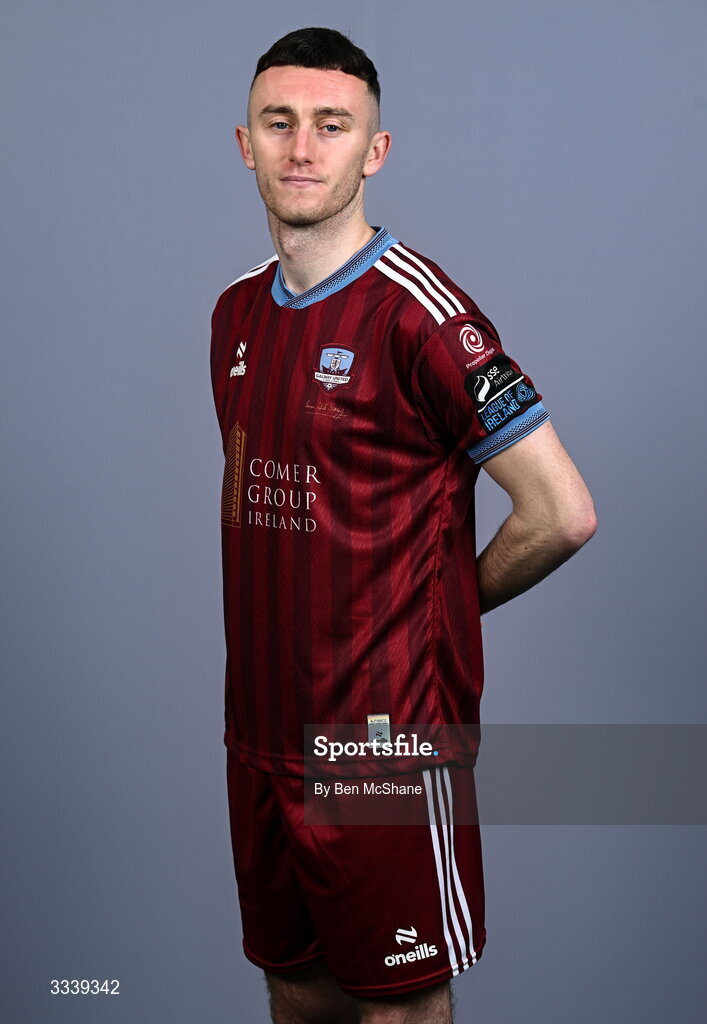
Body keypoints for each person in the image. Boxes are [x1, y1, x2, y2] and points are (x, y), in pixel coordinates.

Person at [210, 26, 597, 1024]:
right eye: (279, 123)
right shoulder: (236, 315)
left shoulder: (422, 316)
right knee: (294, 991)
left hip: (377, 748)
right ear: (244, 144)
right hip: (260, 737)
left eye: (331, 125)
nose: (303, 148)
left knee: (398, 1009)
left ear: (373, 151)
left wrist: (435, 610)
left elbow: (560, 512)